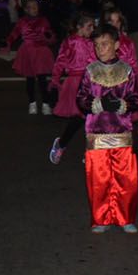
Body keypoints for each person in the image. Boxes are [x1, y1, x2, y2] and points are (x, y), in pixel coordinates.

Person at [75, 24, 138, 232]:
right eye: (97, 45)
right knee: (99, 180)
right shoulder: (90, 71)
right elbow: (81, 98)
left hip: (121, 132)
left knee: (126, 179)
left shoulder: (127, 70)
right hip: (96, 134)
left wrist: (124, 105)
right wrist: (94, 104)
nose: (100, 49)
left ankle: (126, 218)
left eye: (105, 44)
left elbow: (136, 97)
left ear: (116, 45)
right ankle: (101, 218)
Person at [47, 13, 96, 163]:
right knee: (79, 119)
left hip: (91, 81)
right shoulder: (70, 42)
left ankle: (90, 152)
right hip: (75, 83)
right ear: (79, 27)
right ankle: (61, 144)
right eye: (89, 27)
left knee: (93, 119)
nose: (92, 30)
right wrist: (55, 79)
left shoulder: (92, 42)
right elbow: (61, 60)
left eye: (93, 26)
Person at [4, 0, 56, 114]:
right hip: (27, 51)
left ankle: (45, 103)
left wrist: (49, 35)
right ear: (26, 10)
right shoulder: (22, 21)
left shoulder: (43, 20)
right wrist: (7, 42)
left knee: (42, 80)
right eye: (31, 7)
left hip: (41, 51)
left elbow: (49, 34)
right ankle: (32, 103)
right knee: (30, 79)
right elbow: (14, 33)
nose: (34, 10)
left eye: (35, 7)